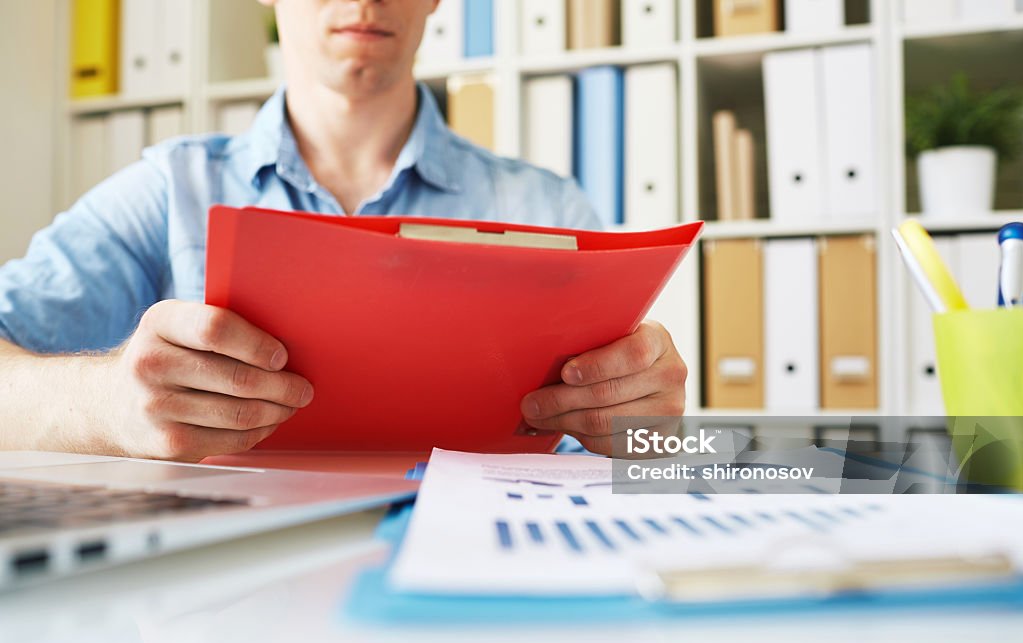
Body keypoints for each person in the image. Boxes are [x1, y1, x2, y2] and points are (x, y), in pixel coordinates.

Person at [0, 0, 686, 462]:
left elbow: (652, 459)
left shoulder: (550, 211)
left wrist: (650, 436)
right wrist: (108, 402)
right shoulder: (167, 193)